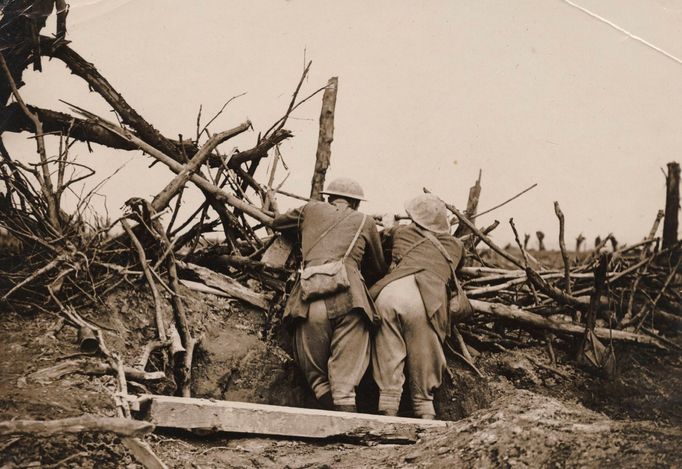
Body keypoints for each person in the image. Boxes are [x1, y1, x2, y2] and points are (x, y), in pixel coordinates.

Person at [271, 177, 386, 412]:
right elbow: (378, 266)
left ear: (328, 197)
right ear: (356, 203)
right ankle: (348, 421)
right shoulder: (365, 221)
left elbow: (278, 223)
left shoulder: (310, 209)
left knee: (318, 380)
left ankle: (324, 404)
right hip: (351, 300)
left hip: (310, 298)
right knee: (345, 383)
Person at [370, 193, 464, 419]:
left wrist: (389, 225)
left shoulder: (400, 233)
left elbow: (382, 241)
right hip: (426, 299)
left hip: (390, 293)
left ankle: (388, 411)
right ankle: (424, 411)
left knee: (388, 353)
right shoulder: (456, 246)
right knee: (424, 357)